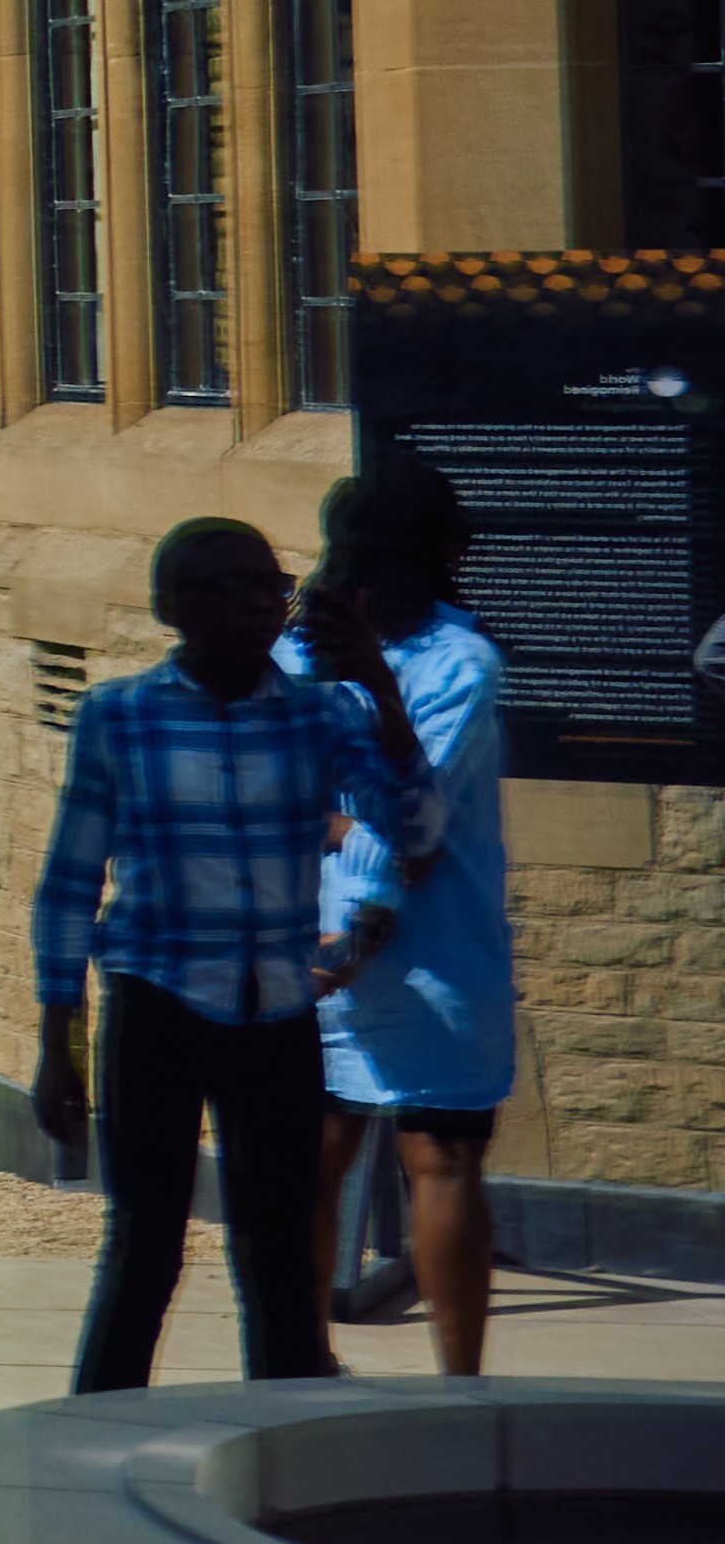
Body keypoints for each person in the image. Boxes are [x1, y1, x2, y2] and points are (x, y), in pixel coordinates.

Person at [37, 515, 433, 1396]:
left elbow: (417, 823)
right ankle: (96, 1433)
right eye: (232, 586)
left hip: (277, 1011)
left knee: (281, 1252)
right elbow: (70, 883)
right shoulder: (120, 717)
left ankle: (285, 1443)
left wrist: (379, 684)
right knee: (146, 1244)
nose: (261, 603)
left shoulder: (318, 713)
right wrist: (55, 1039)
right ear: (171, 606)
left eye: (272, 585)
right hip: (159, 1003)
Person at [303, 461, 513, 1374]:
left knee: (324, 1159)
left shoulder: (296, 653)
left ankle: (299, 1361)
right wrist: (375, 892)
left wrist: (350, 849)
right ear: (448, 550)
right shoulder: (460, 663)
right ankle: (455, 1384)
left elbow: (359, 812)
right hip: (432, 945)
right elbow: (420, 822)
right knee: (442, 1161)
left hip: (321, 937)